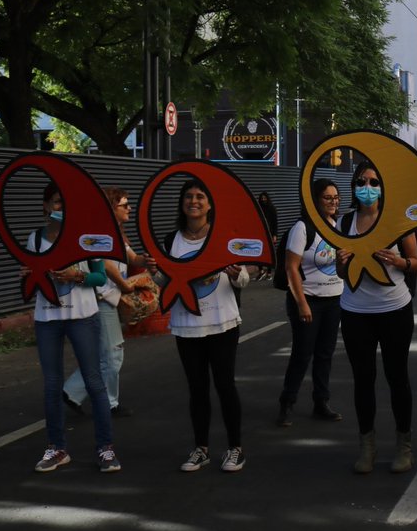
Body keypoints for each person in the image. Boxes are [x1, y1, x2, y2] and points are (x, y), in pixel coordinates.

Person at [24, 182, 121, 473]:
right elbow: (30, 284)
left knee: (94, 380)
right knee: (52, 385)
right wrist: (30, 275)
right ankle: (57, 448)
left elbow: (99, 278)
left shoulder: (86, 238)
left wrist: (76, 276)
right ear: (45, 206)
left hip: (83, 316)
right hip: (47, 318)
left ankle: (105, 448)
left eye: (65, 204)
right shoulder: (35, 240)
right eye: (55, 203)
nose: (60, 209)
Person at [158, 179, 250, 473]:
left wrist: (236, 274)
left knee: (225, 385)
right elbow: (164, 281)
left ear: (210, 205)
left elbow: (244, 279)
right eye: (188, 196)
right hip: (187, 325)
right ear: (181, 203)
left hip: (222, 322)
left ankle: (235, 448)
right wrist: (157, 273)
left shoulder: (225, 237)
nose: (193, 201)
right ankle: (201, 449)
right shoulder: (171, 240)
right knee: (197, 388)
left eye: (200, 197)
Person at [335, 161, 417, 474]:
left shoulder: (398, 220)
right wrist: (343, 263)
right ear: (353, 186)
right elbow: (340, 273)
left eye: (373, 181)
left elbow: (415, 263)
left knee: (397, 377)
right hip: (356, 311)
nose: (367, 187)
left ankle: (404, 446)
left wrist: (398, 261)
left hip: (395, 309)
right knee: (363, 380)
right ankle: (367, 447)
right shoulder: (344, 223)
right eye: (361, 181)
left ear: (383, 186)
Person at [61, 187, 150, 418]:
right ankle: (106, 402)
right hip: (102, 298)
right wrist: (124, 284)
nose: (130, 208)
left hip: (107, 299)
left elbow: (132, 258)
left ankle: (72, 392)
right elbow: (107, 266)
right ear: (111, 208)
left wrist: (148, 260)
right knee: (112, 353)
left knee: (103, 354)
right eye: (124, 205)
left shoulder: (118, 234)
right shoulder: (102, 234)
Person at [276, 178, 345, 427]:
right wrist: (302, 304)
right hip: (308, 301)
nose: (333, 202)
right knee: (302, 353)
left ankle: (321, 402)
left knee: (325, 354)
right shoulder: (303, 228)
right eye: (328, 198)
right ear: (315, 200)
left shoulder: (337, 226)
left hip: (334, 300)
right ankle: (287, 401)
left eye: (336, 197)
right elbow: (291, 268)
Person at [257, 192, 279, 280]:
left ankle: (269, 272)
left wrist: (275, 235)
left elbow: (275, 223)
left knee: (269, 253)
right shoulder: (258, 208)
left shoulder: (272, 209)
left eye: (264, 198)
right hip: (260, 234)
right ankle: (261, 271)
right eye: (261, 198)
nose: (263, 200)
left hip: (269, 233)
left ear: (267, 198)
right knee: (259, 252)